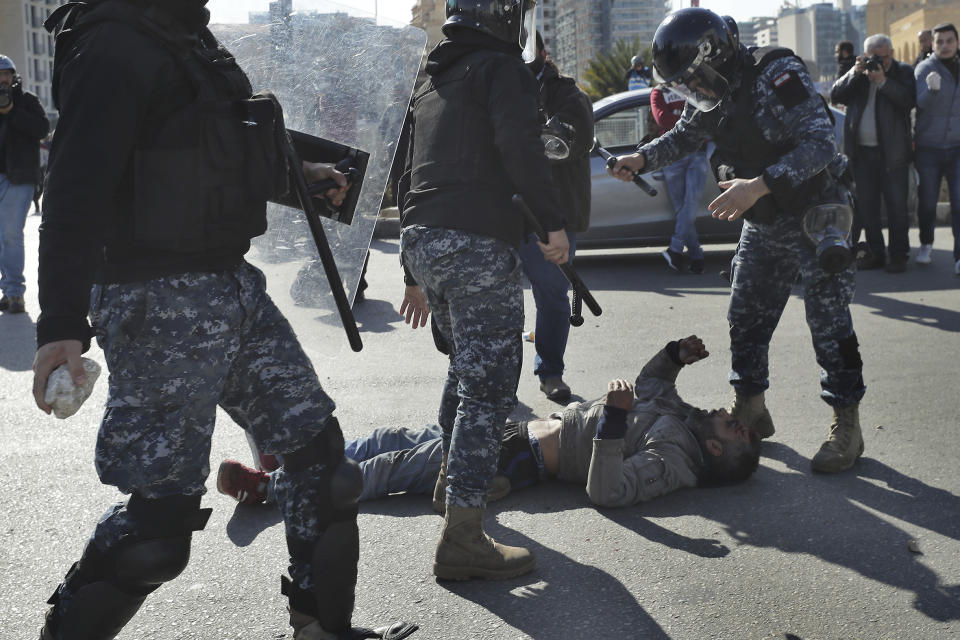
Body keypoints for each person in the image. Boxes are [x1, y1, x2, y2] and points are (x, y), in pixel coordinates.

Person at [31, 2, 414, 639]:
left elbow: (224, 144)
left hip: (231, 285)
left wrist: (306, 172)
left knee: (323, 463)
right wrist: (61, 325)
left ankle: (322, 630)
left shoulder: (186, 38)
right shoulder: (113, 43)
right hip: (157, 301)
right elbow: (74, 189)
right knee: (158, 530)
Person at [611, 8, 867, 473]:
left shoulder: (778, 74)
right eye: (687, 86)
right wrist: (641, 159)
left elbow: (820, 144)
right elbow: (687, 134)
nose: (695, 92)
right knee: (745, 315)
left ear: (717, 56)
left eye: (695, 80)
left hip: (814, 212)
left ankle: (847, 424)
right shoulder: (711, 91)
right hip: (765, 217)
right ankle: (751, 407)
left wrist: (759, 184)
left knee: (828, 323)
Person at [397, 0, 569, 582]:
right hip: (473, 242)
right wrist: (552, 223)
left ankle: (452, 481)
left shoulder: (434, 77)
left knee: (466, 369)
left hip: (424, 240)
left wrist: (410, 268)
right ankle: (464, 537)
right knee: (489, 390)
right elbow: (521, 149)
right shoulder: (501, 68)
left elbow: (405, 171)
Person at [218, 336, 761, 509]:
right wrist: (673, 355)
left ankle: (272, 487)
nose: (733, 418)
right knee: (392, 438)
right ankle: (297, 462)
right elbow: (652, 386)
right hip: (515, 430)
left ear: (717, 453)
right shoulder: (681, 419)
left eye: (736, 431)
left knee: (393, 467)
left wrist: (614, 425)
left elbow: (608, 491)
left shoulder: (674, 460)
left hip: (518, 454)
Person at [520, 31, 594, 402]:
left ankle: (550, 372)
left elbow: (560, 142)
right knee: (495, 300)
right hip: (502, 213)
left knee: (550, 296)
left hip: (550, 218)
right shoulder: (495, 86)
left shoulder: (566, 95)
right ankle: (492, 380)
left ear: (543, 53)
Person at [831, 34, 916, 273]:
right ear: (866, 55)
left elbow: (908, 100)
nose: (880, 61)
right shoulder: (858, 74)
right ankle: (876, 254)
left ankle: (899, 255)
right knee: (867, 208)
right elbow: (836, 95)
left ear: (891, 52)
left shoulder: (903, 72)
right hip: (862, 154)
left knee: (897, 207)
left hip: (893, 154)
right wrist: (854, 73)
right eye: (874, 56)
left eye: (884, 56)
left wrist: (882, 82)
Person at [0, 54, 49, 314]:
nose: (2, 79)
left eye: (6, 74)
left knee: (10, 234)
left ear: (13, 75)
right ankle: (8, 288)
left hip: (19, 178)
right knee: (1, 238)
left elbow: (42, 129)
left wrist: (12, 113)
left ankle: (15, 293)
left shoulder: (27, 101)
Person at [913, 23, 960, 275]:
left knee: (959, 202)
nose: (944, 46)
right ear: (932, 43)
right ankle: (926, 244)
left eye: (948, 41)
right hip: (928, 148)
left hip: (957, 147)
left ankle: (959, 256)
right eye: (939, 41)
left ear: (956, 42)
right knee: (928, 201)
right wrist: (931, 90)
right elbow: (919, 104)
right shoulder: (925, 68)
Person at [650, 86, 708, 273]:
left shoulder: (694, 87)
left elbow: (707, 114)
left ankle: (676, 249)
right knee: (682, 207)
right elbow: (661, 119)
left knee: (690, 203)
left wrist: (678, 115)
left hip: (698, 151)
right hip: (672, 155)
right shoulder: (658, 92)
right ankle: (696, 256)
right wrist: (690, 118)